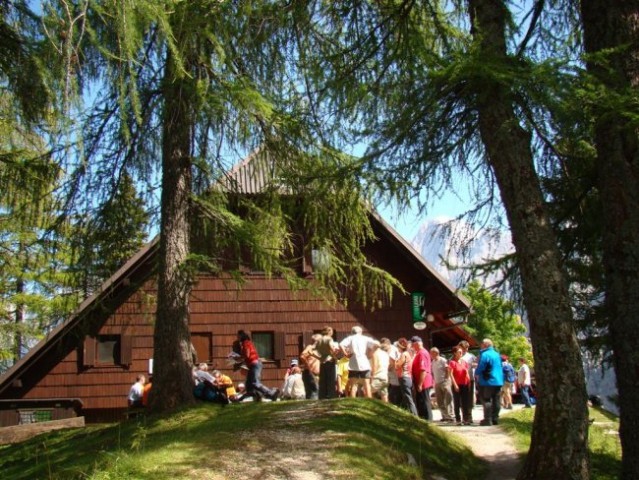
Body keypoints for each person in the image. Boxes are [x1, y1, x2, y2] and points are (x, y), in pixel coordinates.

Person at [237, 330, 280, 402]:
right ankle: (254, 397)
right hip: (252, 365)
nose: (237, 337)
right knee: (249, 385)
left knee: (255, 383)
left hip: (254, 364)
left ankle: (271, 393)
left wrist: (238, 357)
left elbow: (247, 355)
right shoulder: (247, 343)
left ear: (241, 336)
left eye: (238, 336)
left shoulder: (245, 343)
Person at [339, 325, 380, 398]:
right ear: (361, 332)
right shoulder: (365, 338)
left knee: (353, 385)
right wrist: (371, 352)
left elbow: (341, 344)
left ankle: (353, 403)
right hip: (364, 363)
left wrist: (345, 353)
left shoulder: (350, 338)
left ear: (352, 332)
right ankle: (369, 401)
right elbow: (377, 344)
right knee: (366, 384)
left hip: (353, 364)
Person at [475, 338, 504, 426]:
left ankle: (487, 419)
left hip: (487, 380)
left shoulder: (485, 354)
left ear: (485, 345)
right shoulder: (497, 354)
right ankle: (495, 418)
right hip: (498, 380)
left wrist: (476, 372)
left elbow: (481, 366)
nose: (480, 346)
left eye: (481, 344)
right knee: (496, 400)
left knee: (486, 399)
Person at [411, 336, 433, 421]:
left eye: (413, 345)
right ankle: (424, 418)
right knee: (422, 401)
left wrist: (420, 384)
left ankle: (428, 420)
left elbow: (423, 369)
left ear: (416, 344)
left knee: (424, 401)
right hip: (422, 381)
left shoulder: (422, 353)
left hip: (424, 382)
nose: (412, 347)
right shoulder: (420, 353)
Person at [449, 346, 472, 425]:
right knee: (457, 402)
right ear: (455, 353)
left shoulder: (464, 362)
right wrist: (455, 385)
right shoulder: (452, 362)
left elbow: (466, 372)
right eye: (459, 352)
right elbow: (450, 374)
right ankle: (458, 419)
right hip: (457, 384)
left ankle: (466, 419)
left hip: (464, 384)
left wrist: (469, 382)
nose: (461, 353)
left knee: (465, 402)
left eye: (461, 352)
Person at [315, 326, 339, 399]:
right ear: (328, 331)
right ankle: (331, 395)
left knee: (323, 380)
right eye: (331, 331)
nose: (332, 332)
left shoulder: (319, 340)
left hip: (322, 361)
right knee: (331, 379)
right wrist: (334, 355)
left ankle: (322, 395)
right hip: (329, 360)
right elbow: (331, 348)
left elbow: (316, 350)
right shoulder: (329, 339)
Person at [430, 347, 454, 422]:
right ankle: (444, 416)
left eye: (432, 353)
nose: (431, 354)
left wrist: (446, 378)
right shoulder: (433, 362)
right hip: (437, 382)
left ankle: (450, 415)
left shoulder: (442, 360)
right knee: (440, 400)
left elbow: (448, 369)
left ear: (436, 353)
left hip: (444, 381)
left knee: (448, 399)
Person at [395, 338, 418, 415]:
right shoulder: (408, 354)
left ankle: (414, 415)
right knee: (407, 397)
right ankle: (409, 413)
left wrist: (395, 361)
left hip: (404, 377)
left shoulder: (404, 354)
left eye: (398, 346)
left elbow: (397, 366)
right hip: (408, 377)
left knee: (408, 397)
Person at [300, 334, 321, 399]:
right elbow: (302, 356)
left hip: (315, 374)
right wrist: (308, 367)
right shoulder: (310, 347)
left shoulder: (317, 350)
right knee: (314, 394)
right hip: (311, 374)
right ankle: (314, 408)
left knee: (316, 393)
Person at [370, 338, 391, 402]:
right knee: (384, 395)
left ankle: (369, 408)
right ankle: (386, 409)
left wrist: (372, 377)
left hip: (377, 377)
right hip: (385, 377)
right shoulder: (385, 354)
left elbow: (375, 366)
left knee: (366, 391)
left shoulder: (375, 353)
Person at [458, 340, 477, 407]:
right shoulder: (456, 356)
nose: (465, 349)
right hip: (459, 378)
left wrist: (473, 365)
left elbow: (476, 364)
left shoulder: (471, 356)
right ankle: (463, 405)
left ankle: (471, 405)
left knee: (471, 393)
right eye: (463, 348)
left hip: (469, 377)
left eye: (466, 348)